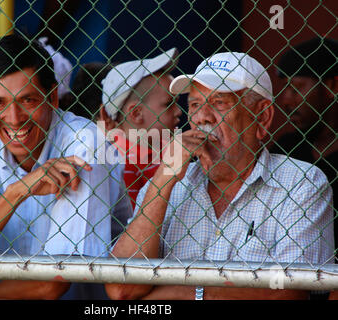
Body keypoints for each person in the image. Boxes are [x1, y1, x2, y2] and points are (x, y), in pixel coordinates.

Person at [105, 52, 334, 300]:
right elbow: (121, 290)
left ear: (262, 117)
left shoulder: (300, 183)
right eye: (194, 104)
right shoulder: (167, 186)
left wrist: (182, 292)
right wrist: (163, 180)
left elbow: (287, 294)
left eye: (219, 103)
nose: (201, 117)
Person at [0, 34, 130, 299]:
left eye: (28, 100)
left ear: (53, 99)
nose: (14, 119)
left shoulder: (86, 143)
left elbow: (53, 282)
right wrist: (16, 193)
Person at [270, 37, 338, 255]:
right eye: (284, 88)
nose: (285, 100)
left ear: (332, 85)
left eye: (296, 87)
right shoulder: (286, 148)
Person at [99, 49, 182, 209]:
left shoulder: (165, 151)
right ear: (136, 113)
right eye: (169, 104)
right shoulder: (120, 164)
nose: (179, 111)